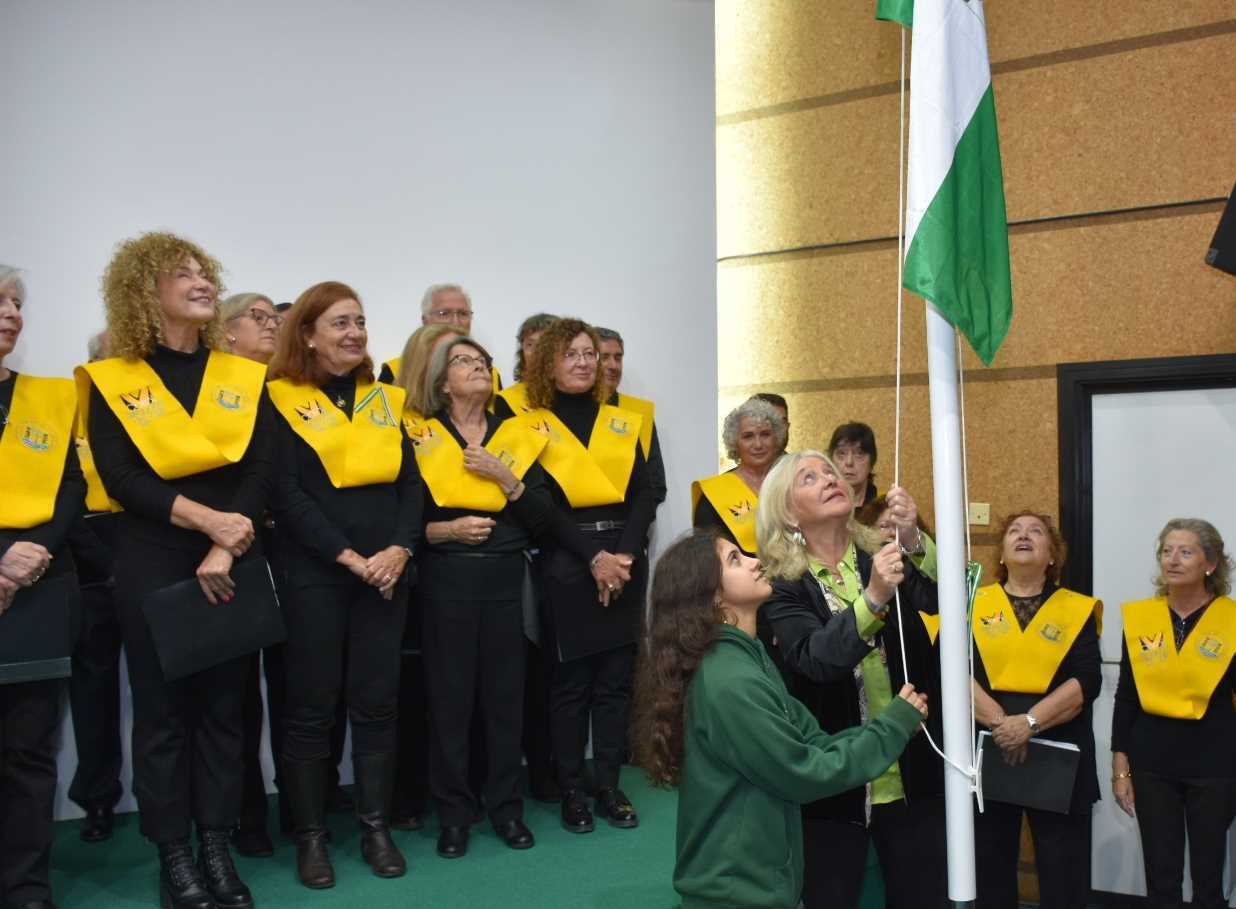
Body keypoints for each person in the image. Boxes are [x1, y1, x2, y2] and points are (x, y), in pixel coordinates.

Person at [79, 232, 274, 909]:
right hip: (150, 558)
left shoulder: (241, 376)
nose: (200, 281)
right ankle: (175, 857)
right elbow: (122, 477)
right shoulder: (114, 379)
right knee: (163, 716)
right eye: (182, 273)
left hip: (232, 556)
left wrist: (228, 542)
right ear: (145, 291)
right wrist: (208, 523)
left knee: (225, 709)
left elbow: (259, 469)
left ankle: (216, 847)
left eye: (203, 271)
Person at [631, 529, 928, 909]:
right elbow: (804, 771)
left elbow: (814, 742)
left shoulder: (748, 661)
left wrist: (889, 724)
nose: (755, 561)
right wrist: (892, 727)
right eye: (735, 560)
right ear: (711, 594)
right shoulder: (728, 680)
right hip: (735, 893)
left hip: (761, 885)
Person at [267, 281, 422, 888]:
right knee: (311, 710)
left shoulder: (386, 399)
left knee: (379, 704)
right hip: (317, 574)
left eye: (359, 321)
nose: (354, 332)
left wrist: (401, 548)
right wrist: (349, 556)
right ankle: (311, 837)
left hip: (386, 574)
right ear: (307, 334)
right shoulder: (277, 399)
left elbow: (411, 485)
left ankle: (375, 826)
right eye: (339, 323)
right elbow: (287, 495)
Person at [758, 450, 946, 909]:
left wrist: (915, 540)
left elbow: (948, 601)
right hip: (833, 779)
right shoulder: (781, 584)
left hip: (912, 770)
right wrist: (875, 598)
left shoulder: (882, 552)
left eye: (830, 471)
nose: (829, 478)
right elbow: (816, 659)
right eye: (809, 477)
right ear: (787, 511)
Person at [415, 335, 558, 857]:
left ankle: (506, 810)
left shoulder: (514, 435)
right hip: (445, 580)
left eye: (482, 361)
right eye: (463, 362)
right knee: (449, 703)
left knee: (505, 702)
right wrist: (445, 533)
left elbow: (544, 518)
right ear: (440, 379)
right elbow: (402, 522)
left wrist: (505, 476)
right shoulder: (421, 435)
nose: (476, 368)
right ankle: (454, 815)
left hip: (505, 582)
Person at [521, 318, 657, 833]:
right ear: (548, 363)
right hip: (567, 561)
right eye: (571, 354)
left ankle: (609, 786)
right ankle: (572, 791)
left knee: (615, 684)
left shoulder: (620, 422)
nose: (584, 362)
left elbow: (644, 492)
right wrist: (594, 558)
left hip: (624, 559)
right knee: (571, 685)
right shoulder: (529, 425)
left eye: (590, 355)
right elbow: (537, 505)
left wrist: (621, 557)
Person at [0, 264, 86, 909]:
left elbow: (71, 487)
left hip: (37, 581)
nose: (11, 312)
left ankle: (27, 887)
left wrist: (36, 553)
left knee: (29, 754)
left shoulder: (50, 397)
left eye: (17, 301)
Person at [970, 511, 1102, 909]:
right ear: (1002, 554)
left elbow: (1085, 682)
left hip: (1059, 753)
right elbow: (954, 672)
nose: (1023, 535)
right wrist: (1002, 725)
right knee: (990, 868)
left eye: (1036, 531)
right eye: (1014, 530)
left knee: (1063, 873)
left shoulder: (1075, 609)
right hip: (988, 747)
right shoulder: (973, 603)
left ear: (1051, 556)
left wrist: (1028, 723)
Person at [1112, 518, 1236, 909]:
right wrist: (1121, 767)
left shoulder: (1230, 620)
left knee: (1209, 878)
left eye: (1186, 551)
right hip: (1153, 762)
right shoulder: (1140, 618)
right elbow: (1127, 696)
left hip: (1216, 763)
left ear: (1210, 563)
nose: (1173, 560)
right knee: (1161, 876)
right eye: (1167, 551)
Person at [66, 331, 124, 845]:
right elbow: (61, 491)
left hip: (145, 549)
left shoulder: (149, 415)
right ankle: (98, 798)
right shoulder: (69, 409)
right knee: (93, 691)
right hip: (86, 555)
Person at [691, 398, 786, 555]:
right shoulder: (716, 491)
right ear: (734, 443)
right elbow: (706, 555)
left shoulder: (793, 481)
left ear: (776, 438)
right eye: (748, 436)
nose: (758, 444)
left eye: (765, 434)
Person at [595, 326, 667, 507]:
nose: (613, 365)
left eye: (618, 358)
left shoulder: (639, 412)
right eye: (604, 357)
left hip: (632, 524)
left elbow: (656, 485)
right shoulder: (571, 410)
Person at [495, 313, 557, 416]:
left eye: (544, 343)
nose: (537, 351)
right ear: (522, 352)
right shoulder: (507, 400)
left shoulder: (577, 395)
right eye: (530, 344)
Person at [828, 421, 879, 508]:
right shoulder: (819, 509)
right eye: (841, 453)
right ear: (831, 461)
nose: (849, 462)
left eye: (859, 454)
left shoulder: (884, 509)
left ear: (872, 462)